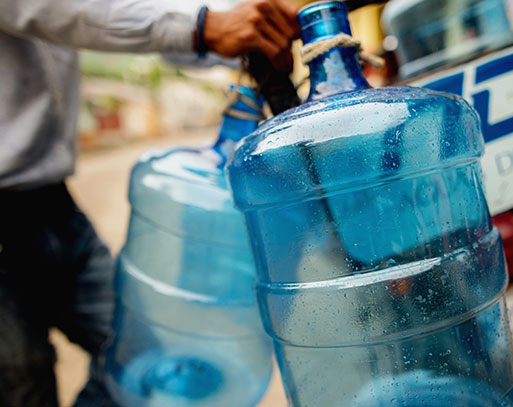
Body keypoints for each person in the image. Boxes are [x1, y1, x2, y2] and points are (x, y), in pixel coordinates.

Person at [0, 1, 298, 406]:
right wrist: (203, 27)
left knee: (146, 355)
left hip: (55, 208)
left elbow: (121, 13)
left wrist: (243, 28)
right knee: (23, 381)